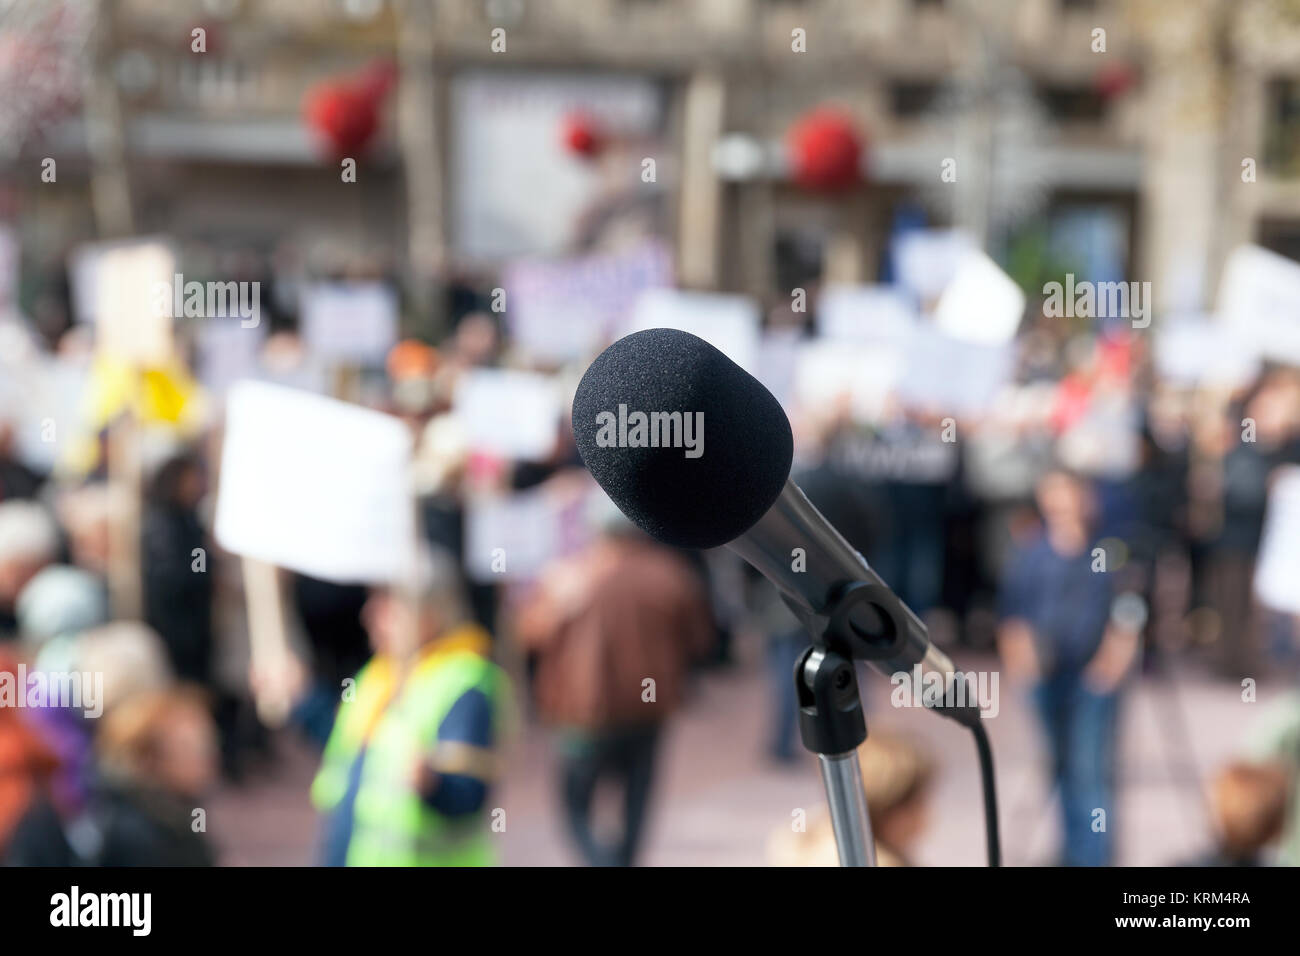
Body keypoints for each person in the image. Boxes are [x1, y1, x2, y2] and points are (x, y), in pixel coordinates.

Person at [514, 497, 713, 866]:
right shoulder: (671, 574)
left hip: (586, 715)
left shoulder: (571, 575)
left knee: (576, 805)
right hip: (648, 711)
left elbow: (528, 633)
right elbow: (700, 641)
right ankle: (621, 860)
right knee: (636, 801)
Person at [311, 549, 508, 867]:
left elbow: (469, 794)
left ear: (427, 612)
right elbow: (346, 748)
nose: (369, 615)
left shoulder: (463, 681)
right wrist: (303, 702)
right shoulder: (378, 674)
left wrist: (433, 783)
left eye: (386, 604)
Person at [998, 468, 1141, 867]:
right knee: (1058, 767)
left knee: (1091, 771)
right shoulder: (1031, 554)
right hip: (1047, 679)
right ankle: (1071, 850)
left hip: (1094, 679)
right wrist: (1022, 668)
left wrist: (1111, 665)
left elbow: (1129, 613)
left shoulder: (1109, 552)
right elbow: (1013, 614)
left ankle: (1094, 856)